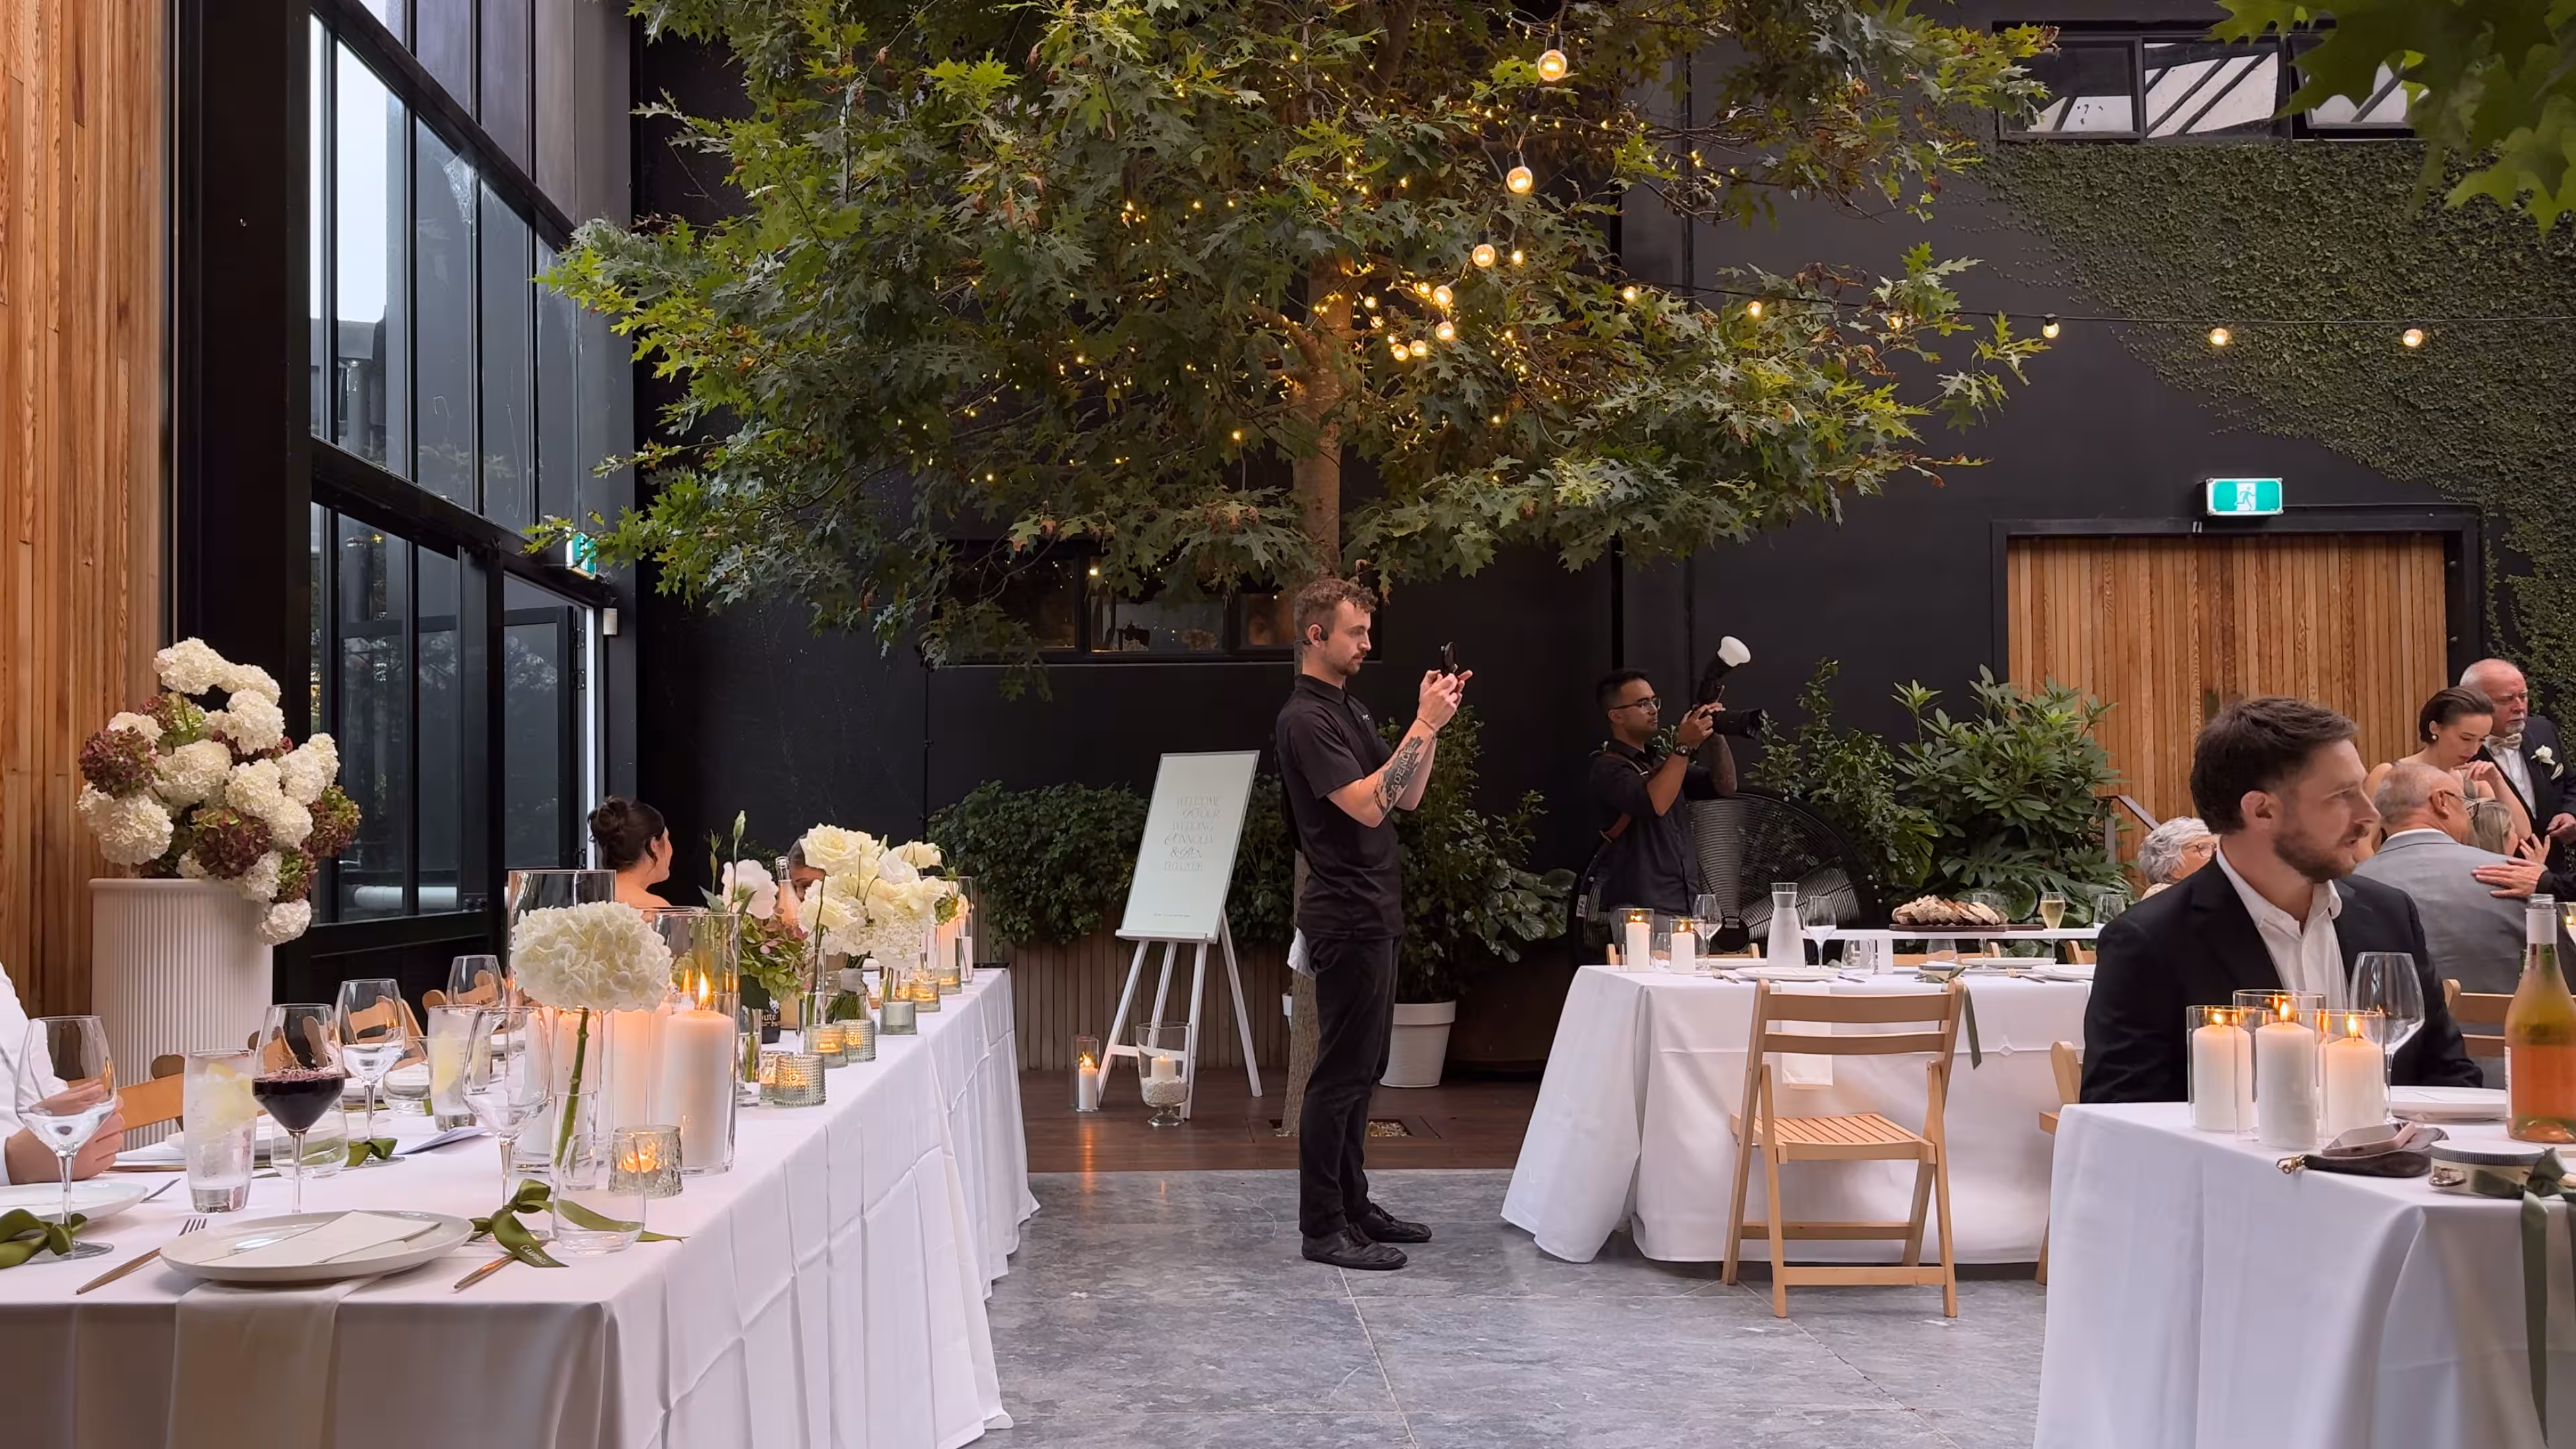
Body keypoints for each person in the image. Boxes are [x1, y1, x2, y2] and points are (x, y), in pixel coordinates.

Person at [2082, 696, 2481, 1104]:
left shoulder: (2389, 915)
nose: (2368, 815)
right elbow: (2122, 1117)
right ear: (2261, 810)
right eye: (2342, 795)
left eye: (2362, 790)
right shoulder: (2152, 941)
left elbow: (2449, 1076)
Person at [1274, 575, 1464, 1272]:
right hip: (1345, 915)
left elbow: (1404, 794)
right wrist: (1421, 723)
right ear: (1316, 634)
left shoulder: (1345, 710)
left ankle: (1353, 1206)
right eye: (1355, 631)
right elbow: (1364, 805)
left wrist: (1432, 726)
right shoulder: (1305, 718)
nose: (1367, 642)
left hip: (1374, 910)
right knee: (1340, 1076)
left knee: (1364, 1070)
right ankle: (1323, 1227)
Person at [2351, 761, 2534, 996]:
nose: (2470, 817)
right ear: (2442, 802)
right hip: (2504, 1030)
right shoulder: (2515, 875)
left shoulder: (2350, 886)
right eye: (2465, 804)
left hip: (2390, 1030)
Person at [1586, 670, 1735, 917]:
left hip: (1685, 905)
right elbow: (1655, 803)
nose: (1654, 709)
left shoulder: (1660, 762)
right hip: (1640, 911)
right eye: (1642, 703)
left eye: (1655, 701)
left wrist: (1714, 732)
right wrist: (1684, 746)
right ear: (1616, 716)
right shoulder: (1608, 767)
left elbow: (1724, 786)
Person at [2363, 686, 2528, 853]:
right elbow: (2361, 844)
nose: (2474, 750)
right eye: (2466, 738)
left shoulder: (2475, 781)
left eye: (2481, 740)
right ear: (2434, 728)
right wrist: (2380, 877)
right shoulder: (2388, 774)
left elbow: (2521, 833)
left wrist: (2497, 780)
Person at [0, 970, 122, 1185]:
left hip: (52, 1194)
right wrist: (11, 1162)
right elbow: (20, 1157)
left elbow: (39, 1082)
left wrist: (74, 1120)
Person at [2461, 657, 2573, 867]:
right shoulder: (2460, 753)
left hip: (2554, 870)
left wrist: (2570, 813)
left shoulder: (2543, 731)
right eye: (2506, 700)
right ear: (2472, 702)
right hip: (2492, 872)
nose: (2519, 707)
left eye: (2523, 696)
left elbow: (2570, 784)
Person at [591, 796, 674, 912]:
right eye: (667, 838)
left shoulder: (589, 901)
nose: (671, 849)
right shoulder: (656, 910)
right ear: (654, 845)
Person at [2135, 816, 2216, 896]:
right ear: (2173, 868)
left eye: (2217, 846)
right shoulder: (2163, 901)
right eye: (2202, 848)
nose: (2217, 853)